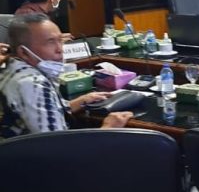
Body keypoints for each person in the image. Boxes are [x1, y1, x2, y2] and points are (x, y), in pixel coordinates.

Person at [0, 13, 132, 138]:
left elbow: (42, 110)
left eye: (60, 40)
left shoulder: (10, 68)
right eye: (50, 42)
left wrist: (81, 101)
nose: (59, 49)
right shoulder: (33, 84)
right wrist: (108, 127)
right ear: (23, 52)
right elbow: (57, 147)